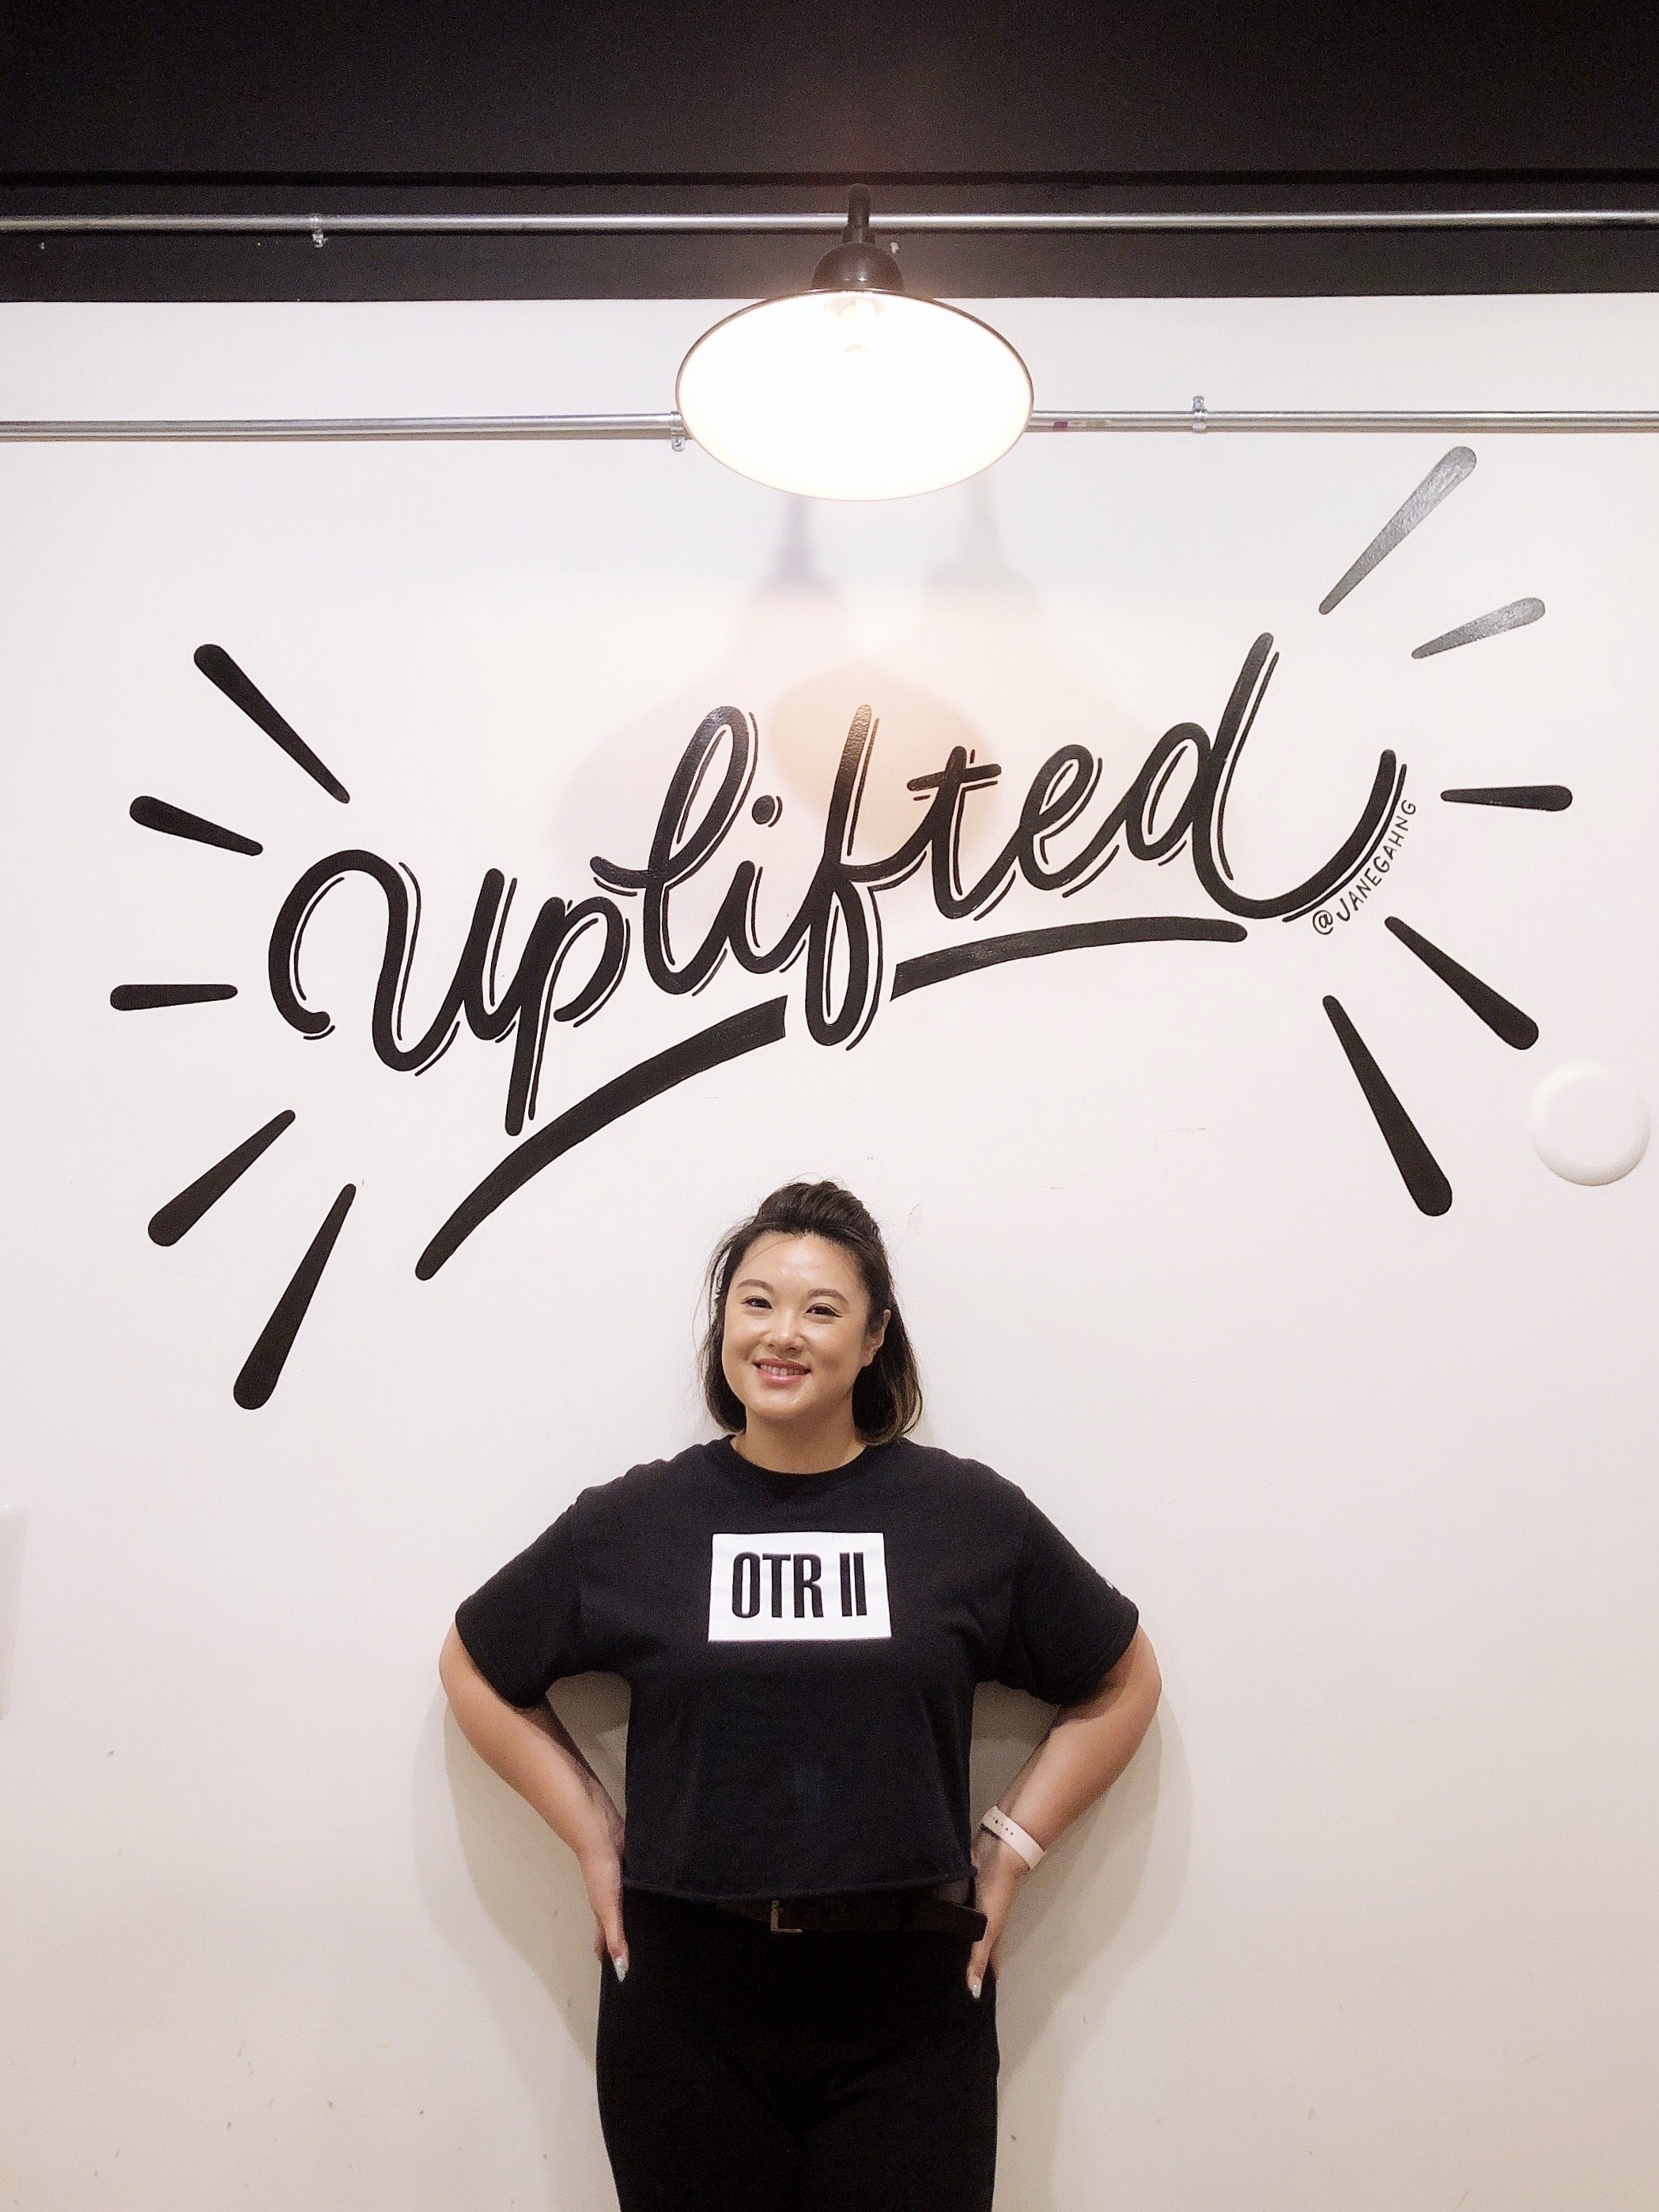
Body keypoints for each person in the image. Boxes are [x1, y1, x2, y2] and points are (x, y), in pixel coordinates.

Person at [439, 1179, 1162, 2212]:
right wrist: (593, 1835)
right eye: (756, 1301)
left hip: (908, 2002)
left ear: (873, 1339)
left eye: (821, 1309)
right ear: (723, 1324)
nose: (782, 1333)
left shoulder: (964, 1517)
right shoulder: (637, 1521)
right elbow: (474, 1664)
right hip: (687, 2004)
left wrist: (1009, 1850)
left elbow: (1123, 1678)